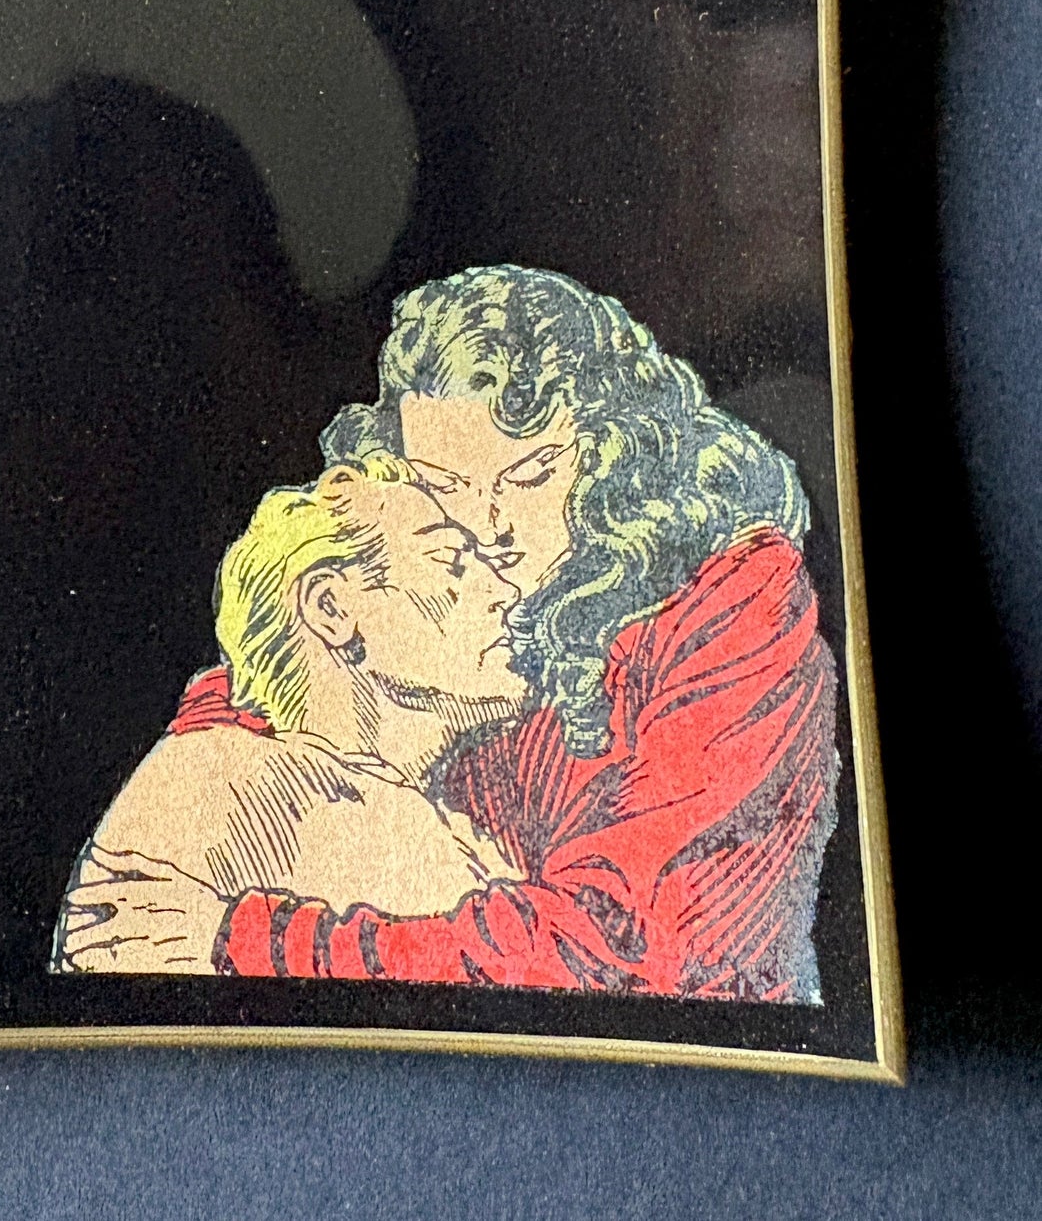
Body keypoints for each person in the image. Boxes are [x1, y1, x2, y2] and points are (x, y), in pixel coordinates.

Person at [57, 265, 840, 999]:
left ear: (613, 454)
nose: (489, 529)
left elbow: (623, 947)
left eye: (529, 476)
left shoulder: (733, 601)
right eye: (445, 485)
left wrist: (249, 939)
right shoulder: (467, 615)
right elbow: (271, 686)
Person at [50, 453, 527, 972]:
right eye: (450, 562)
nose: (505, 591)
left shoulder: (391, 800)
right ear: (331, 608)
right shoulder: (259, 792)